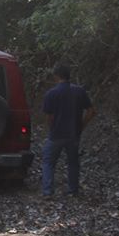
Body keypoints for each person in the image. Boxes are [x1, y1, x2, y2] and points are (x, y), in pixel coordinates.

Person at [41, 63, 95, 197]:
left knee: (48, 162)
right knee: (73, 163)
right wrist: (82, 126)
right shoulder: (79, 91)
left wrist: (52, 128)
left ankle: (48, 192)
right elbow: (91, 111)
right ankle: (73, 191)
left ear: (56, 76)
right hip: (74, 134)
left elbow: (49, 116)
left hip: (56, 134)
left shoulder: (51, 93)